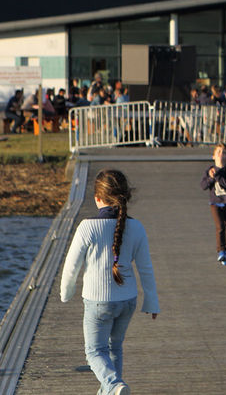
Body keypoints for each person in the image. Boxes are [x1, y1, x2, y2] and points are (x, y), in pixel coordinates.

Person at [60, 169, 159, 395]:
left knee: (95, 351)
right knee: (115, 348)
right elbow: (145, 268)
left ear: (97, 198)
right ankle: (113, 391)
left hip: (98, 301)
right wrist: (152, 301)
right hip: (127, 301)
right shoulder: (137, 227)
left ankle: (114, 385)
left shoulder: (87, 227)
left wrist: (66, 293)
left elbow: (71, 266)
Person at [200, 143, 226, 266]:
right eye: (219, 152)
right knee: (220, 226)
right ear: (213, 156)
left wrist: (216, 177)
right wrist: (210, 178)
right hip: (215, 203)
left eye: (224, 153)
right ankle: (220, 251)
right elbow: (203, 186)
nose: (221, 154)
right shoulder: (210, 170)